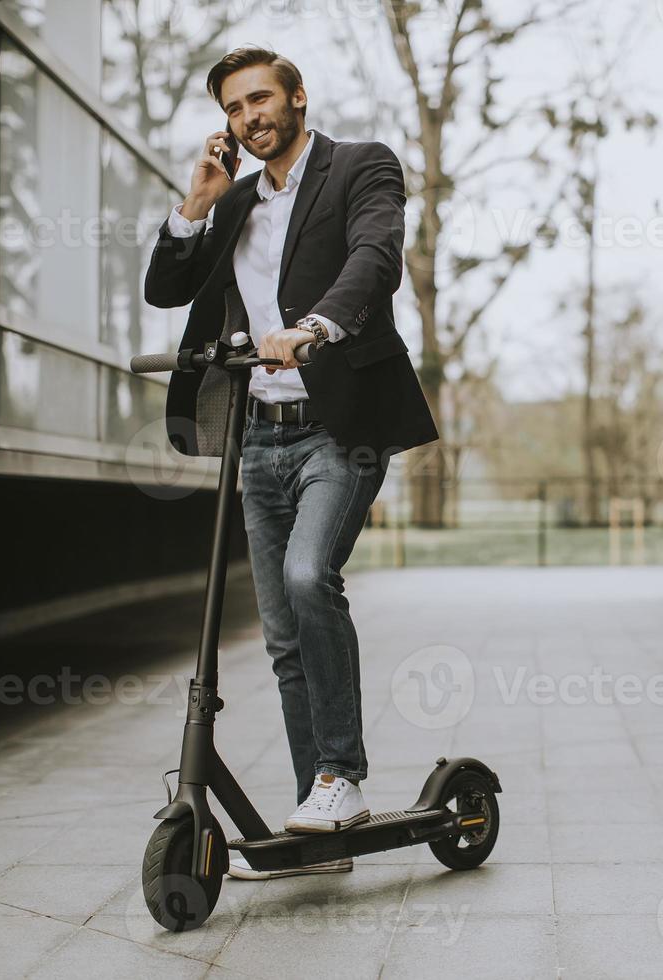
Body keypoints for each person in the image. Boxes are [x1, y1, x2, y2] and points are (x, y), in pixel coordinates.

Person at [144, 46, 439, 880]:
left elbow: (375, 259)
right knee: (280, 636)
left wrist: (315, 326)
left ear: (298, 97)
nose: (249, 118)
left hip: (339, 427)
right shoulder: (231, 202)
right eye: (235, 109)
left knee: (312, 578)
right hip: (260, 435)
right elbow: (165, 290)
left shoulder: (360, 168)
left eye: (261, 99)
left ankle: (341, 774)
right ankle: (320, 825)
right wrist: (195, 205)